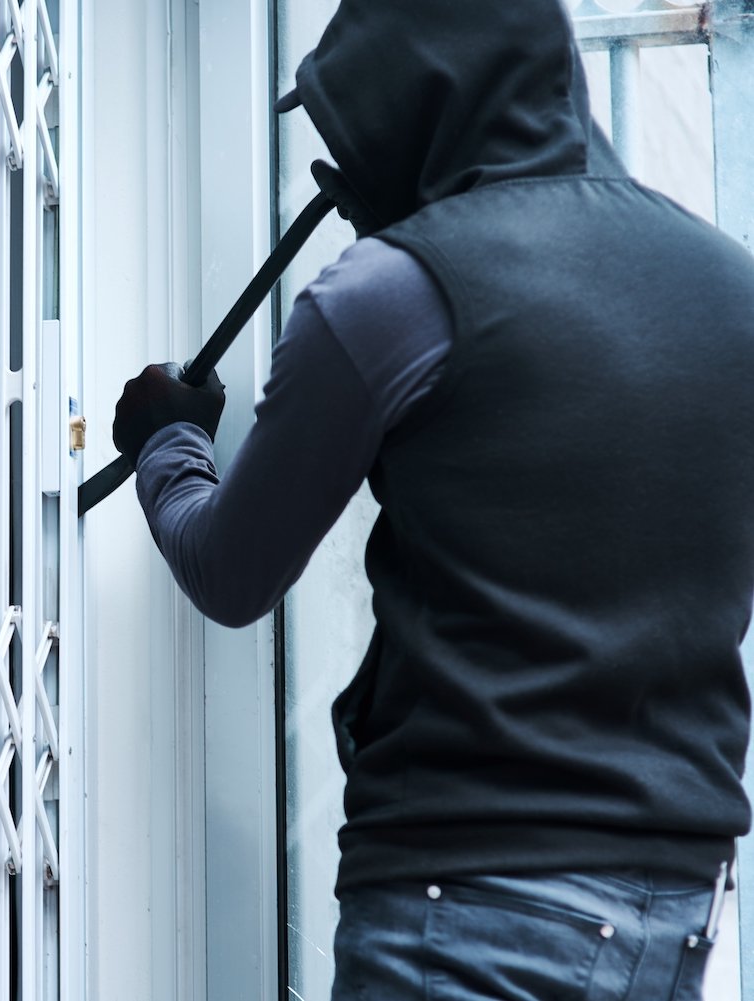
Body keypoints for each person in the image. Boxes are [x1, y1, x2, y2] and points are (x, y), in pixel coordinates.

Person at [111, 0, 754, 997]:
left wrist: (168, 441)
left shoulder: (392, 293)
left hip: (462, 910)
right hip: (674, 918)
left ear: (411, 109)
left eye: (352, 129)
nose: (338, 169)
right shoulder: (731, 288)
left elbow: (231, 570)